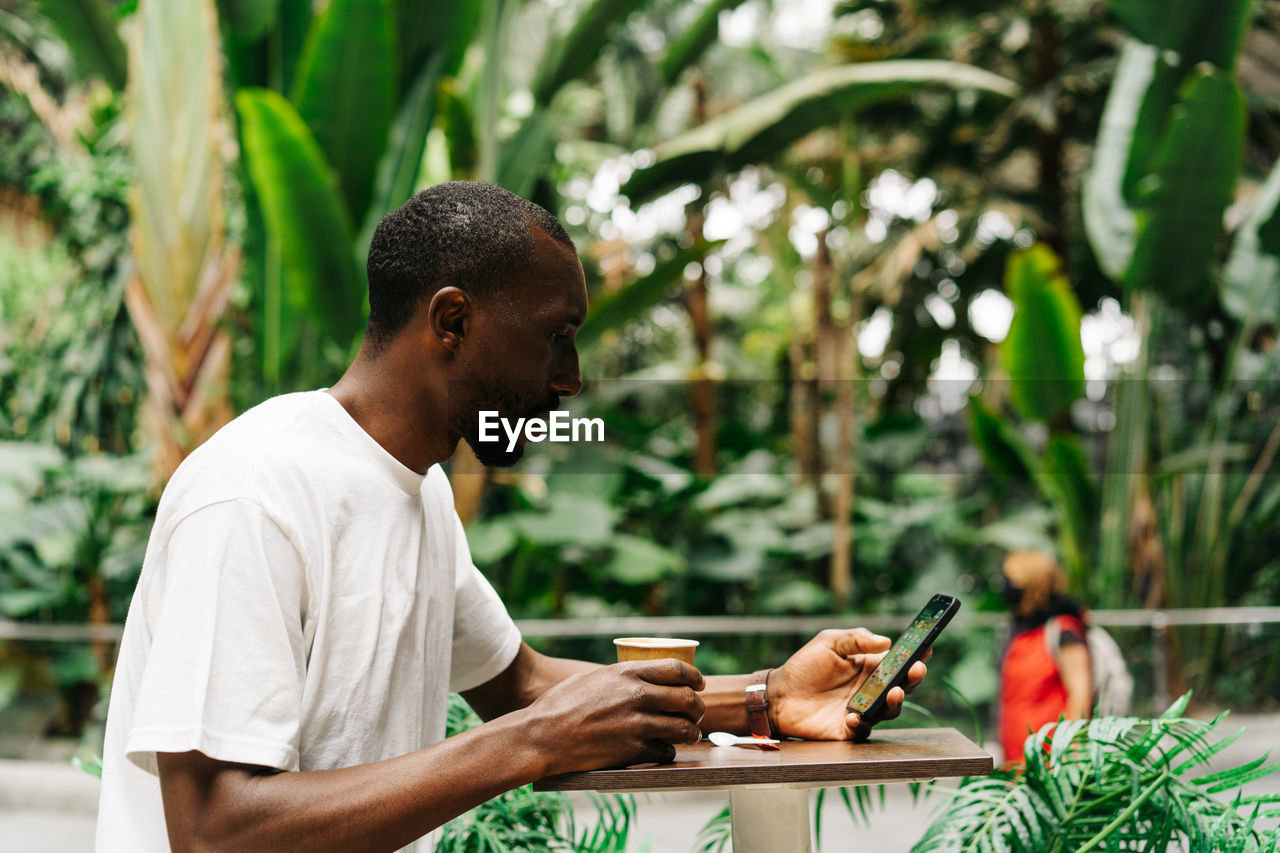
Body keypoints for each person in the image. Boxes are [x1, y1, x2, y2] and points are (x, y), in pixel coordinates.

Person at [96, 181, 930, 851]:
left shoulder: (416, 490)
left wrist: (762, 697)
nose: (568, 379)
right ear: (452, 321)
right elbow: (212, 829)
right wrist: (532, 743)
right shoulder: (254, 491)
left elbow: (521, 683)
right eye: (556, 335)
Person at [996, 550, 1092, 764]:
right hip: (1017, 755)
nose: (1007, 586)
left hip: (1052, 757)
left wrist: (1072, 751)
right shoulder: (1018, 630)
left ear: (1033, 583)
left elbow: (1080, 693)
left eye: (1013, 580)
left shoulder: (1063, 629)